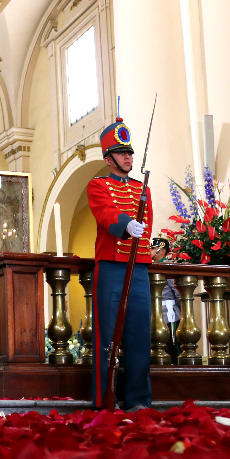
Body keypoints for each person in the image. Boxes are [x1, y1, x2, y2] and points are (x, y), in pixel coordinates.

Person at [85, 117, 153, 410]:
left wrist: (139, 232)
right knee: (108, 337)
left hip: (138, 266)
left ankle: (139, 400)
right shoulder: (97, 185)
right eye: (122, 153)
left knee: (139, 336)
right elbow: (106, 213)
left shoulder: (143, 188)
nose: (128, 157)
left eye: (130, 153)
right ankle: (105, 400)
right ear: (108, 158)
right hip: (111, 266)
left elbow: (148, 224)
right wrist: (126, 224)